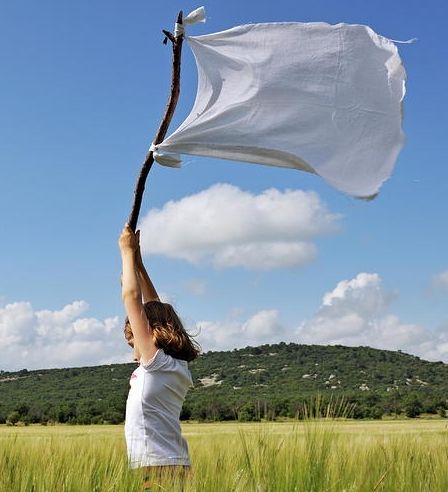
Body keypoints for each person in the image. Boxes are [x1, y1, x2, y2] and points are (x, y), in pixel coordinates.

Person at [118, 224, 200, 490]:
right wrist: (139, 265)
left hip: (156, 467)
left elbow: (133, 298)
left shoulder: (157, 364)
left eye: (134, 343)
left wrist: (126, 253)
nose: (134, 354)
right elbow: (153, 306)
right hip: (175, 464)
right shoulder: (176, 366)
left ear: (151, 334)